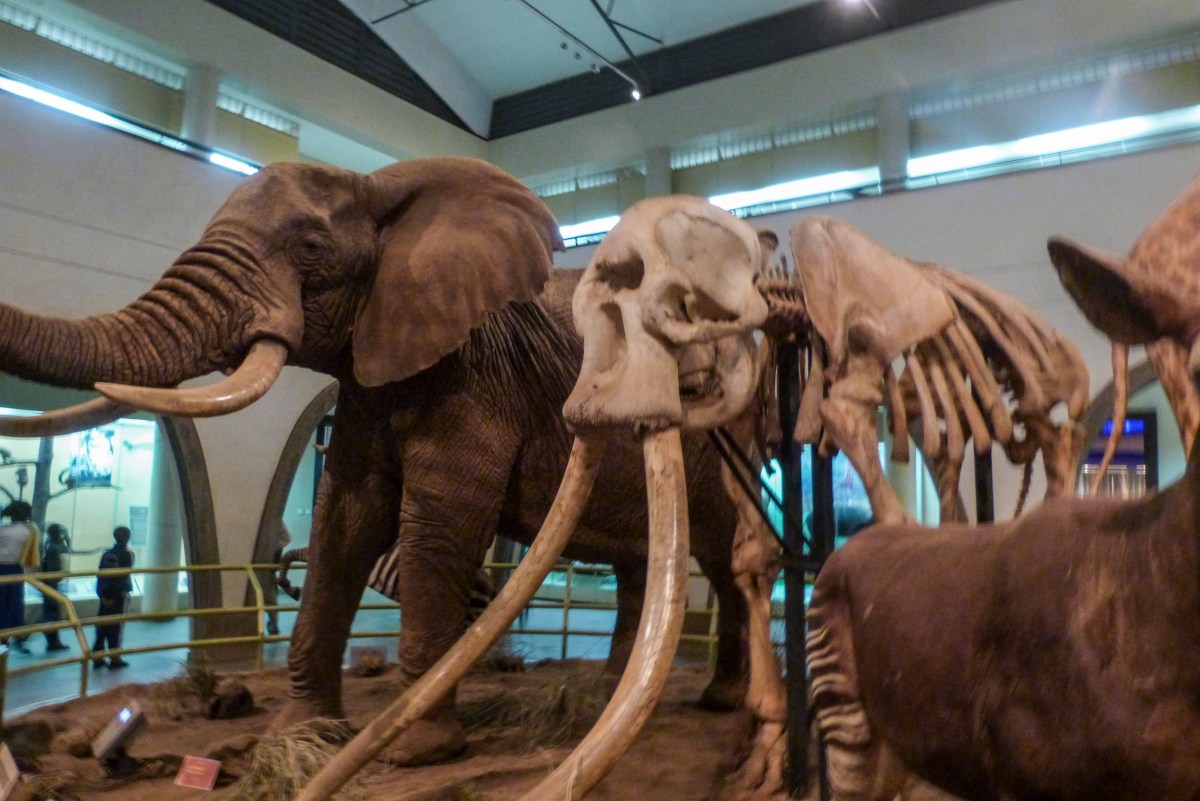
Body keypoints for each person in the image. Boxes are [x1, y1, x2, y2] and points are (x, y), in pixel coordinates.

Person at [38, 523, 100, 653]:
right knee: (51, 614)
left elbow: (68, 550)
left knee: (53, 613)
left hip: (53, 584)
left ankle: (54, 640)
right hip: (52, 584)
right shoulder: (54, 548)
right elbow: (53, 568)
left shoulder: (54, 545)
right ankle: (52, 641)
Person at [0, 500, 40, 653]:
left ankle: (4, 639)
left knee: (2, 604)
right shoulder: (29, 531)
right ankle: (14, 637)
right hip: (15, 569)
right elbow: (31, 557)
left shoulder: (3, 530)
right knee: (14, 605)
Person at [92, 525, 134, 669]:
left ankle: (97, 657)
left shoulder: (107, 554)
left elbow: (101, 575)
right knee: (116, 627)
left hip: (105, 596)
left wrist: (103, 595)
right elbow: (123, 576)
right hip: (117, 596)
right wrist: (116, 595)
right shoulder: (127, 555)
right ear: (128, 537)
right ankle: (114, 658)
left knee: (102, 626)